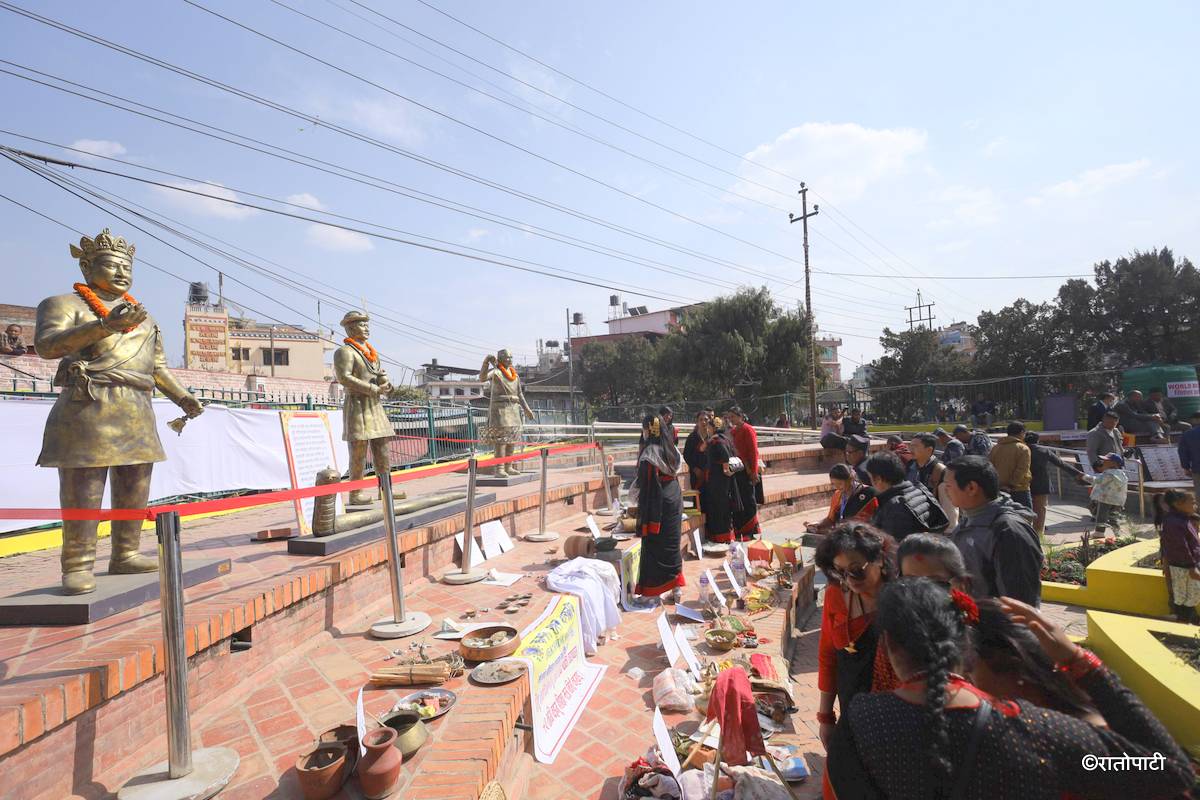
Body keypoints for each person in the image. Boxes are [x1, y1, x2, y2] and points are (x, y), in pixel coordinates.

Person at [826, 579, 1195, 800]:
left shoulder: (860, 723)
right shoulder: (1042, 732)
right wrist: (1081, 662)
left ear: (888, 646)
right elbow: (1172, 770)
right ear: (965, 644)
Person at [35, 228, 203, 594]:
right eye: (111, 265)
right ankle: (78, 565)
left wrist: (182, 397)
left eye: (127, 267)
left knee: (134, 484)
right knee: (84, 488)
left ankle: (125, 553)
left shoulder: (145, 316)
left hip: (136, 407)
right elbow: (46, 347)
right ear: (86, 266)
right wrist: (103, 326)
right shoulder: (62, 304)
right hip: (90, 403)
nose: (121, 273)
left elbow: (157, 367)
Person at [813, 524, 899, 786]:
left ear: (880, 560)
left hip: (897, 720)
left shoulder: (902, 599)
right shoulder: (837, 595)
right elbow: (828, 655)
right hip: (853, 715)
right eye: (840, 572)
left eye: (856, 570)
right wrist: (826, 717)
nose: (849, 580)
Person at [945, 456, 1042, 606]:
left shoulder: (1008, 531)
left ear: (971, 488)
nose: (945, 491)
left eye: (948, 486)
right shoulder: (970, 519)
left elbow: (1020, 602)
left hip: (996, 625)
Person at [335, 311, 396, 505]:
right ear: (351, 328)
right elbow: (344, 377)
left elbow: (378, 375)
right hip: (357, 405)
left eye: (367, 325)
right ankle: (355, 494)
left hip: (375, 405)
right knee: (358, 451)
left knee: (382, 449)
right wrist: (372, 388)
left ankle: (385, 490)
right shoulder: (345, 352)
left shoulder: (371, 352)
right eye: (362, 325)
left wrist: (386, 386)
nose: (367, 328)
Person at [634, 414, 684, 602]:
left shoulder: (650, 453)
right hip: (674, 496)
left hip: (658, 503)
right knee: (672, 543)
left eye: (644, 429)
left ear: (649, 429)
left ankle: (651, 592)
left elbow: (644, 483)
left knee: (654, 546)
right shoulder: (672, 449)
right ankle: (676, 588)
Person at [867, 451, 949, 542]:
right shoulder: (919, 489)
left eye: (870, 478)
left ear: (878, 479)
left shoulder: (894, 507)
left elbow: (895, 549)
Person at [480, 348, 535, 476]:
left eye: (511, 357)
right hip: (500, 409)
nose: (509, 359)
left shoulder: (515, 376)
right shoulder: (496, 372)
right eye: (506, 357)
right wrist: (486, 362)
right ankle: (499, 469)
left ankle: (508, 466)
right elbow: (482, 378)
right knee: (501, 440)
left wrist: (527, 409)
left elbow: (520, 394)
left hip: (514, 408)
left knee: (512, 439)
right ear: (499, 359)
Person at [1024, 431, 1084, 536]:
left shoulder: (1021, 450)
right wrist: (1077, 473)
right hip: (1041, 484)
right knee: (1040, 509)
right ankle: (1038, 534)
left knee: (1024, 509)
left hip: (1023, 483)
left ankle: (1026, 532)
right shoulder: (1044, 451)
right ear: (1038, 441)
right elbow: (1061, 463)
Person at [1157, 489, 1200, 624]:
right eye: (1192, 503)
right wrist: (1192, 566)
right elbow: (1180, 546)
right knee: (1185, 595)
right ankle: (1184, 620)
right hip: (1184, 567)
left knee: (1189, 595)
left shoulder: (1183, 519)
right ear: (1178, 504)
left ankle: (1187, 618)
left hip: (1187, 565)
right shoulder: (1174, 523)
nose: (1195, 506)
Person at [807, 463, 878, 534]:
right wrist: (818, 524)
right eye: (834, 484)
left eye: (840, 484)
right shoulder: (837, 495)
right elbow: (831, 519)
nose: (837, 487)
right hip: (842, 535)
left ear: (850, 479)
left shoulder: (869, 493)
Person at [726, 406, 762, 539]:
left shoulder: (748, 429)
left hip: (747, 469)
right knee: (740, 499)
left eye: (733, 417)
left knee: (749, 499)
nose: (731, 419)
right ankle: (741, 529)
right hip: (737, 469)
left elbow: (753, 451)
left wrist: (753, 471)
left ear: (740, 416)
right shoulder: (734, 431)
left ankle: (750, 529)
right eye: (730, 417)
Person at [911, 433, 957, 531]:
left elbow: (950, 510)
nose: (911, 449)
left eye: (915, 446)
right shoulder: (910, 467)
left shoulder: (941, 472)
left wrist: (949, 532)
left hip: (936, 527)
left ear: (929, 450)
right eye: (911, 445)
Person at [702, 416, 735, 543]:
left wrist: (725, 469)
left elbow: (702, 449)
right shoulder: (726, 439)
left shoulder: (715, 441)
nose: (707, 429)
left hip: (717, 480)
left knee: (718, 508)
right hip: (723, 480)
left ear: (713, 428)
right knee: (724, 507)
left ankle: (720, 537)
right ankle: (726, 536)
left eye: (709, 427)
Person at [989, 422, 1033, 509]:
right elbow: (1022, 469)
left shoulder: (996, 448)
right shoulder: (1023, 448)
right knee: (1025, 516)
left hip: (1000, 488)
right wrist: (1011, 485)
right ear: (1021, 432)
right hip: (1019, 489)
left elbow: (990, 467)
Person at [1083, 453, 1128, 536]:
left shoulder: (1109, 473)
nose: (1103, 462)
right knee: (1113, 517)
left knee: (1101, 516)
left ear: (1114, 463)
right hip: (1118, 501)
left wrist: (1084, 476)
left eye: (1106, 460)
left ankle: (1099, 532)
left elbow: (1098, 480)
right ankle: (1117, 533)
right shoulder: (1122, 474)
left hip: (1106, 499)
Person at [682, 410, 710, 497]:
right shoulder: (692, 437)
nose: (703, 422)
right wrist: (694, 468)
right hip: (696, 473)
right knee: (697, 498)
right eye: (701, 420)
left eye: (706, 419)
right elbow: (686, 455)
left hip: (710, 473)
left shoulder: (712, 437)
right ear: (697, 422)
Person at [1179, 410, 1200, 494]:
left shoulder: (1188, 434)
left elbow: (1183, 452)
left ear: (1196, 420)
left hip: (1197, 468)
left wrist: (1186, 467)